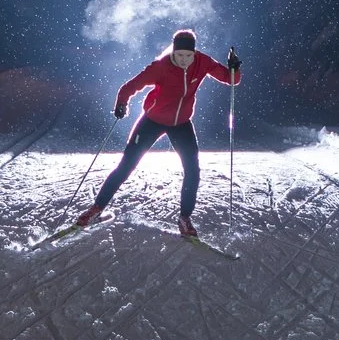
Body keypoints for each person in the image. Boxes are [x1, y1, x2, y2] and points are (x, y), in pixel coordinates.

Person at [76, 29, 240, 238]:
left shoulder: (202, 62)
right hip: (152, 122)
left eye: (187, 56)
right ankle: (96, 209)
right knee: (126, 165)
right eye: (179, 55)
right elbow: (129, 87)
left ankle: (185, 217)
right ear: (172, 52)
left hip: (181, 124)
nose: (183, 60)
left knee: (193, 170)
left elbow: (231, 79)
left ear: (194, 53)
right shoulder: (161, 67)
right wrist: (121, 104)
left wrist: (234, 68)